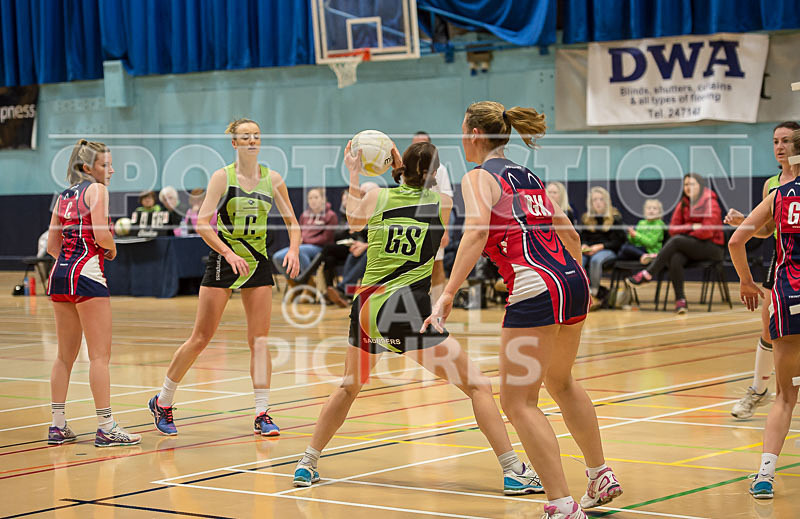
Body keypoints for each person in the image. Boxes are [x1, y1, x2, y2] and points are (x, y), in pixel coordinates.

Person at [293, 140, 543, 497]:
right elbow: (439, 189)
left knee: (349, 386)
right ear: (435, 174)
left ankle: (306, 462)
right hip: (405, 310)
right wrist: (404, 161)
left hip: (367, 309)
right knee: (479, 386)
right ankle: (513, 471)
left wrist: (354, 170)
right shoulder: (439, 205)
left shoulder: (377, 197)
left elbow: (351, 217)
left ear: (401, 168)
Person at [424, 101, 621, 519]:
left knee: (517, 403)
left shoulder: (477, 176)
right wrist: (570, 275)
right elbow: (566, 229)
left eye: (462, 128)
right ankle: (599, 474)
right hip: (571, 279)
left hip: (535, 286)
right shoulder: (525, 174)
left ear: (475, 134)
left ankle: (562, 505)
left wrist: (447, 294)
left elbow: (476, 231)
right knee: (562, 382)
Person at [148, 118, 301, 437]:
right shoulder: (222, 177)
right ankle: (163, 401)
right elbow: (203, 223)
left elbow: (293, 223)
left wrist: (295, 250)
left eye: (256, 136)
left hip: (257, 261)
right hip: (224, 258)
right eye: (245, 137)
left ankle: (262, 413)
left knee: (259, 341)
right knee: (201, 338)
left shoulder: (272, 179)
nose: (252, 141)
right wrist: (228, 253)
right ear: (234, 143)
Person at [46, 139, 141, 447]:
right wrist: (110, 249)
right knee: (99, 356)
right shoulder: (97, 190)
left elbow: (51, 246)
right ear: (87, 168)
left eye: (111, 164)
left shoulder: (62, 197)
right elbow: (101, 234)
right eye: (105, 165)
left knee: (64, 356)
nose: (110, 170)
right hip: (87, 274)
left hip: (60, 276)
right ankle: (106, 426)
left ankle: (57, 425)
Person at [727, 127, 800, 500]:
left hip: (790, 290)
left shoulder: (780, 194)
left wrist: (745, 282)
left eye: (785, 140)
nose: (779, 146)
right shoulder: (773, 186)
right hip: (782, 278)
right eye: (775, 141)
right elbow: (765, 230)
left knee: (787, 396)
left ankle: (765, 475)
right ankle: (755, 386)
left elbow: (737, 239)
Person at [626, 173, 724, 314]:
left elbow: (707, 232)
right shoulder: (683, 203)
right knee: (675, 257)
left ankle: (648, 273)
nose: (688, 187)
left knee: (677, 241)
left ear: (701, 187)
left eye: (692, 184)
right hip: (691, 247)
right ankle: (681, 301)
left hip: (712, 248)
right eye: (686, 185)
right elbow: (672, 229)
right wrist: (692, 227)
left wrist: (685, 232)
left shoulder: (710, 203)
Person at [412, 131, 454, 302]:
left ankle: (437, 306)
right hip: (413, 225)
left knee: (436, 266)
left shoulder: (440, 170)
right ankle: (415, 305)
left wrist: (444, 230)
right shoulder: (407, 171)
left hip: (433, 224)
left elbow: (446, 201)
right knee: (413, 267)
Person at [322, 185, 377, 307]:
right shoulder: (361, 213)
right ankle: (346, 293)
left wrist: (364, 246)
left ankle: (342, 289)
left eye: (363, 194)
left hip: (378, 250)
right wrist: (359, 244)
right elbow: (360, 235)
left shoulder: (379, 212)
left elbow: (383, 239)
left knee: (367, 254)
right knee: (352, 254)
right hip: (363, 246)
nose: (361, 197)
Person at [272, 187, 337, 284]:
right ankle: (296, 285)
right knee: (278, 257)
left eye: (316, 197)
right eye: (310, 198)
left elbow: (327, 238)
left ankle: (308, 283)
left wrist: (306, 240)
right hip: (303, 246)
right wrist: (298, 240)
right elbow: (298, 232)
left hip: (320, 248)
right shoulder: (304, 215)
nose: (313, 200)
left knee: (301, 251)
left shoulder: (331, 215)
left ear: (323, 199)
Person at [580, 186, 625, 308]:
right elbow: (583, 237)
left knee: (596, 260)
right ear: (591, 203)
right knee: (579, 260)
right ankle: (582, 292)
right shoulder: (586, 218)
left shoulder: (615, 217)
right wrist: (584, 245)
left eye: (601, 199)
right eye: (595, 200)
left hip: (608, 250)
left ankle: (594, 293)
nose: (598, 202)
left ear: (606, 201)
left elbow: (619, 241)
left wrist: (600, 247)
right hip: (589, 250)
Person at [618, 199, 666, 264]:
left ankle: (647, 256)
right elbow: (634, 242)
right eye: (649, 208)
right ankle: (644, 257)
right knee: (621, 253)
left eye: (655, 208)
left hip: (651, 250)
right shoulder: (641, 223)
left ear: (660, 212)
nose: (651, 211)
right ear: (644, 211)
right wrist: (632, 235)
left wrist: (636, 235)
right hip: (640, 248)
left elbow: (651, 243)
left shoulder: (659, 224)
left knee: (625, 248)